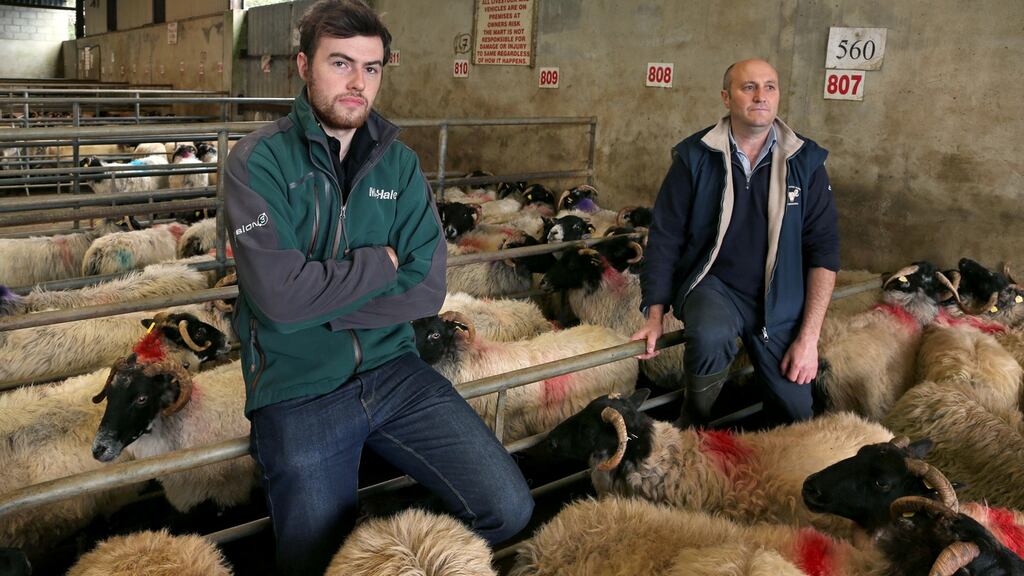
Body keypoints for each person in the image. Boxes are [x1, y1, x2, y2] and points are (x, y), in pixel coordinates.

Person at [223, 1, 533, 573]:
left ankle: (388, 553)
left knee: (508, 508)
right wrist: (379, 264)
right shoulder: (257, 162)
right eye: (340, 63)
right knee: (313, 562)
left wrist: (322, 308)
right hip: (298, 385)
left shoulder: (400, 165)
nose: (357, 82)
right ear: (304, 66)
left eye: (371, 68)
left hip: (395, 369)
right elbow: (279, 299)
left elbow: (426, 289)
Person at [632, 58, 839, 428]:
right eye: (749, 87)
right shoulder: (695, 156)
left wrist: (809, 339)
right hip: (715, 285)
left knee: (796, 414)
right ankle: (694, 423)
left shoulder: (805, 161)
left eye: (770, 87)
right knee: (709, 335)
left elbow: (824, 250)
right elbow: (665, 236)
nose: (761, 96)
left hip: (780, 295)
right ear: (726, 97)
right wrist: (655, 314)